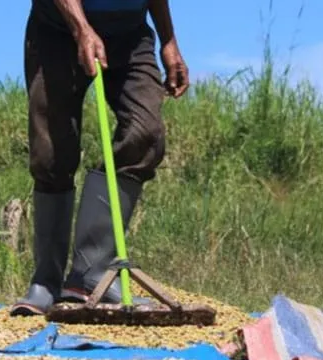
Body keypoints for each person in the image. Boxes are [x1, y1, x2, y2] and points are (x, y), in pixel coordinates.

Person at [10, 0, 189, 316]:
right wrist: (82, 28)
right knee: (51, 154)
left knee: (145, 133)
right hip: (57, 30)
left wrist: (169, 42)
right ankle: (46, 284)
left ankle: (90, 275)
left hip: (130, 35)